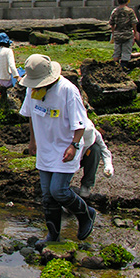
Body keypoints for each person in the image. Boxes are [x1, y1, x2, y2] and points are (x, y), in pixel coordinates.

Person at [19, 54, 96, 244]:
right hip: (45, 146)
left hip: (66, 146)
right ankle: (53, 235)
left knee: (59, 191)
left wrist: (74, 145)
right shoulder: (32, 89)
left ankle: (86, 214)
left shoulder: (68, 90)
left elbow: (80, 123)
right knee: (47, 195)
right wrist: (32, 141)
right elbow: (31, 116)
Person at [77, 118, 114, 198]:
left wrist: (108, 166)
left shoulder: (94, 132)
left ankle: (86, 185)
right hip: (65, 160)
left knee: (95, 149)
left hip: (82, 158)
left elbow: (104, 150)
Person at [108, 0, 137, 69]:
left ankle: (115, 66)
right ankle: (124, 66)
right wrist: (135, 33)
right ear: (127, 1)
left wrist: (114, 33)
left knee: (117, 50)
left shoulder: (115, 11)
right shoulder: (130, 11)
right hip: (127, 34)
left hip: (117, 35)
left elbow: (111, 23)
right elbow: (134, 23)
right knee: (126, 51)